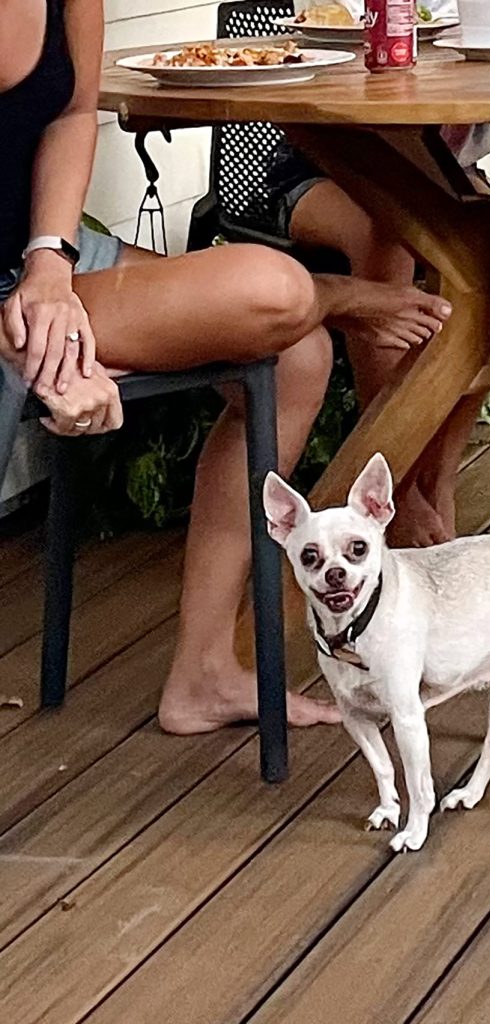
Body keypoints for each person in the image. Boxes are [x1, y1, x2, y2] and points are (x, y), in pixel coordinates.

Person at [0, 0, 452, 734]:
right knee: (282, 296)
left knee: (295, 351)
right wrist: (42, 346)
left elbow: (73, 111)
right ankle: (331, 295)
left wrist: (50, 264)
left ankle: (204, 674)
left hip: (41, 263)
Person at [267, 0, 490, 547]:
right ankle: (397, 477)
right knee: (390, 233)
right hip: (318, 173)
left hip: (447, 178)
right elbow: (314, 55)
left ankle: (437, 481)